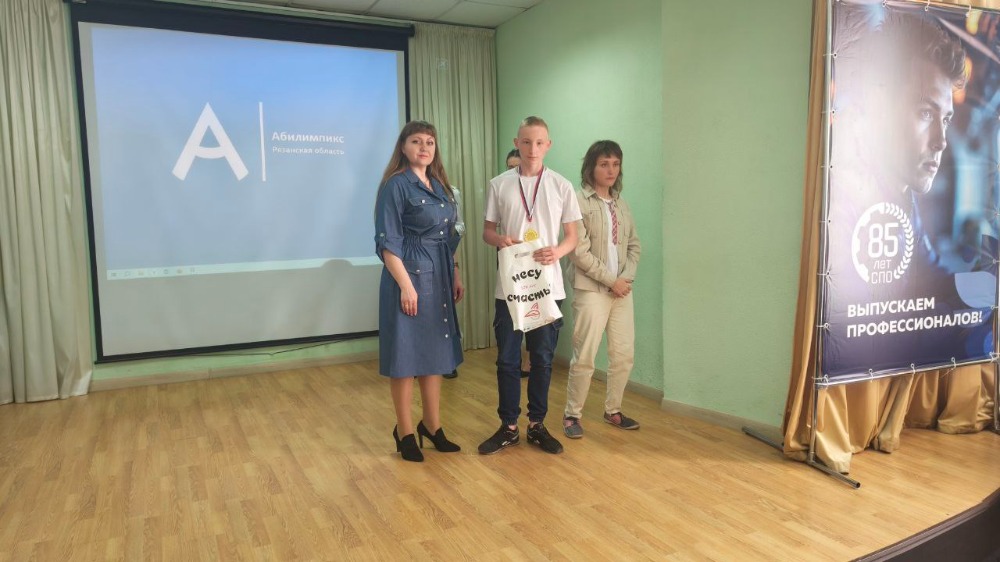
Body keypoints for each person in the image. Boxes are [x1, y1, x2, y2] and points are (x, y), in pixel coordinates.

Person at [824, 8, 994, 377]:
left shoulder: (899, 190)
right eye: (925, 113)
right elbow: (855, 340)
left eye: (945, 119)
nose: (941, 142)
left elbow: (928, 272)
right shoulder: (845, 197)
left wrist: (987, 285)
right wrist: (958, 324)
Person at [478, 116, 581, 455]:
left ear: (548, 145)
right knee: (508, 359)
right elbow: (487, 231)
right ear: (517, 143)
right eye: (526, 142)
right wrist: (500, 240)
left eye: (539, 143)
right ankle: (508, 426)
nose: (532, 149)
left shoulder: (562, 185)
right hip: (510, 288)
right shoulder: (499, 184)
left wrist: (558, 251)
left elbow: (572, 237)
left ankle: (537, 424)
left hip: (548, 287)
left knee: (542, 359)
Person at [374, 120, 464, 462]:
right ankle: (406, 431)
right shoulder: (396, 185)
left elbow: (448, 237)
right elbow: (387, 244)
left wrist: (455, 272)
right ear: (403, 146)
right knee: (405, 357)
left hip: (439, 275)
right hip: (408, 277)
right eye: (416, 141)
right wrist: (406, 286)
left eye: (429, 142)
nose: (424, 147)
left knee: (435, 355)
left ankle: (432, 426)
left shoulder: (440, 186)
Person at [562, 140, 641, 438]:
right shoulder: (577, 202)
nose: (611, 170)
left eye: (616, 164)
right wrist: (611, 281)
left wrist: (626, 279)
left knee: (623, 354)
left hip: (621, 291)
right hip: (591, 290)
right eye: (604, 164)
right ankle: (572, 415)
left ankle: (613, 410)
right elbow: (578, 252)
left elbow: (634, 246)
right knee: (585, 356)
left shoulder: (622, 204)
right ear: (591, 167)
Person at [504, 149, 533, 379]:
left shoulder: (543, 187)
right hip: (509, 260)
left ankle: (528, 360)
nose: (513, 170)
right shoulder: (501, 188)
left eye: (516, 165)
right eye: (509, 167)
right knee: (512, 314)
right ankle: (511, 357)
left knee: (534, 315)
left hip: (536, 263)